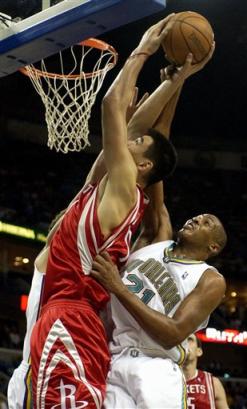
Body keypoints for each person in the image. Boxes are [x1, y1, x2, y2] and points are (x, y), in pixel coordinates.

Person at [30, 16, 178, 409]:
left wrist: (144, 48)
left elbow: (112, 104)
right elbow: (135, 135)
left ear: (142, 168)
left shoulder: (123, 190)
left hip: (68, 319)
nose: (130, 137)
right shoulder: (109, 193)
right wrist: (173, 82)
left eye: (138, 142)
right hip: (74, 320)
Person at [91, 196, 227, 406]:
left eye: (206, 223)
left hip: (157, 367)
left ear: (213, 247)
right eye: (196, 217)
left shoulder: (209, 279)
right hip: (117, 355)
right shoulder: (159, 240)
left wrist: (118, 287)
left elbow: (172, 333)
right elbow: (155, 182)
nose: (196, 220)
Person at [183, 333, 229, 409]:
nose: (184, 344)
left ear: (199, 351)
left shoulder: (213, 383)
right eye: (182, 341)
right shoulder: (167, 381)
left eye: (190, 340)